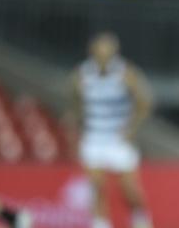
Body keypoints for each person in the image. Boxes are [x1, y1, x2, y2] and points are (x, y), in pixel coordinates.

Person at [67, 32, 154, 228]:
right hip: (94, 138)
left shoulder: (126, 73)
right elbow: (73, 101)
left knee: (129, 189)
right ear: (92, 52)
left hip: (118, 139)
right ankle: (100, 224)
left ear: (114, 53)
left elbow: (144, 102)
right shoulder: (82, 74)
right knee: (97, 186)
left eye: (107, 52)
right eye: (99, 51)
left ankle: (141, 219)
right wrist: (76, 122)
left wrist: (132, 128)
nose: (103, 56)